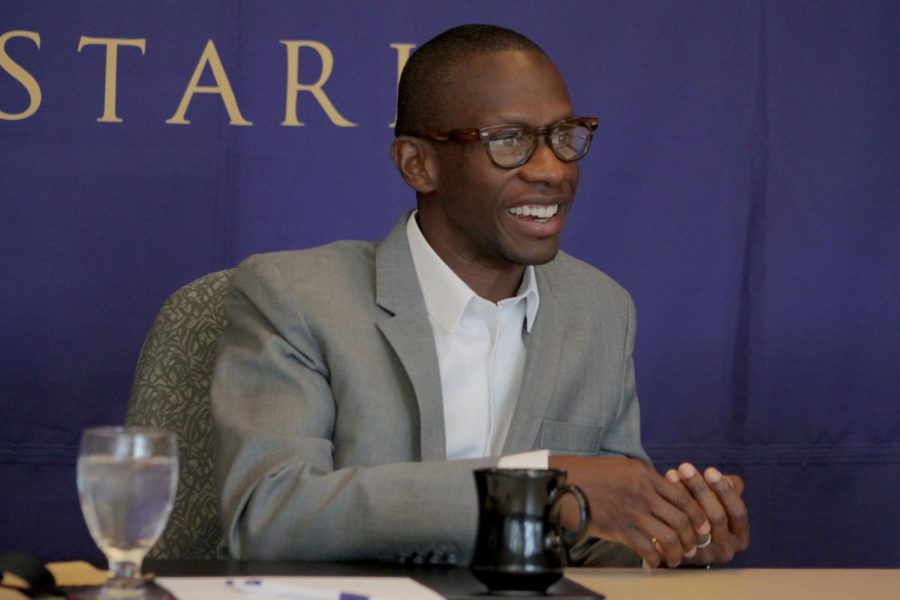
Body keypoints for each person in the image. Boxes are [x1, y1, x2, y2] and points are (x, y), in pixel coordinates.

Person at [211, 24, 749, 568]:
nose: (553, 169)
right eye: (509, 141)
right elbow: (270, 514)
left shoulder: (602, 310)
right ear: (418, 164)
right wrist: (534, 483)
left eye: (565, 135)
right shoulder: (297, 296)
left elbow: (590, 540)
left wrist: (673, 535)